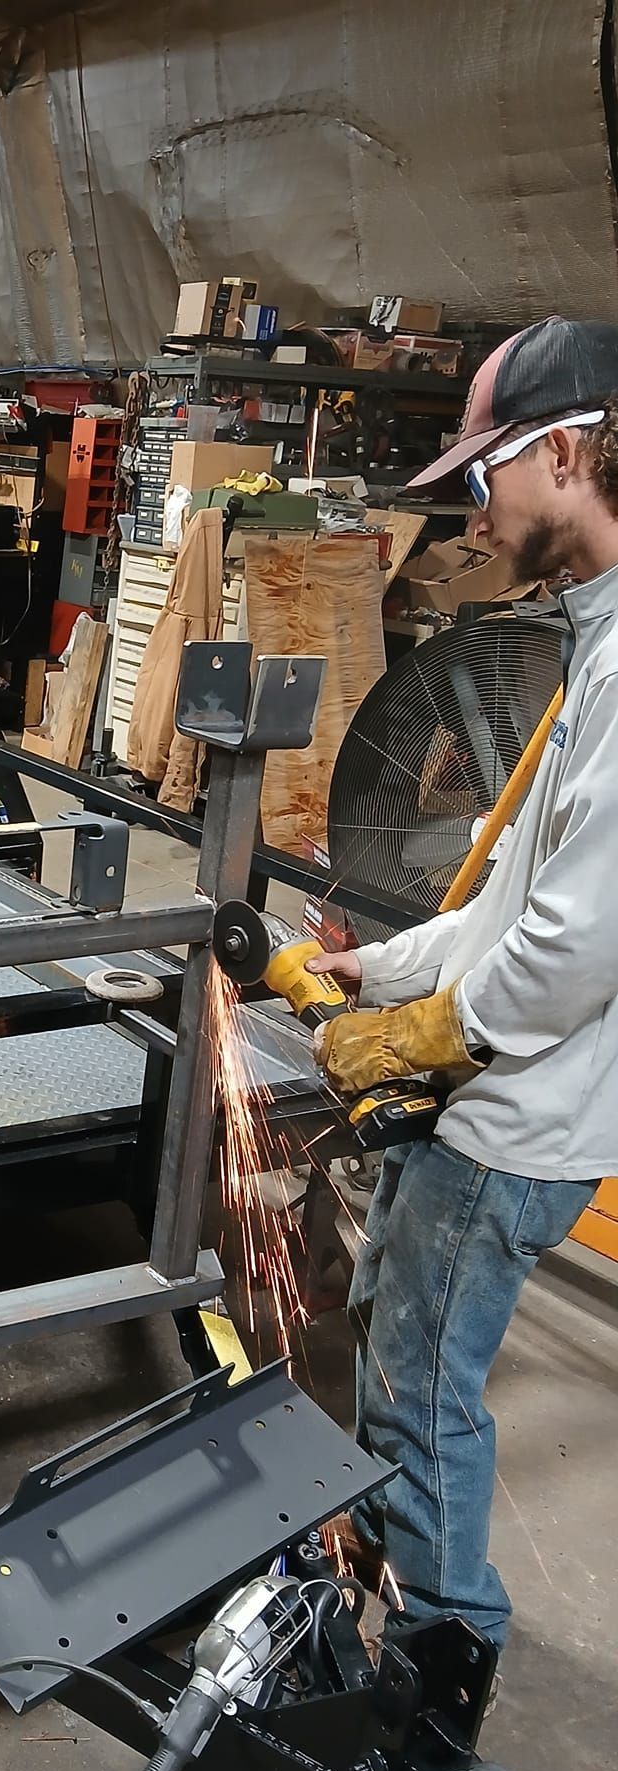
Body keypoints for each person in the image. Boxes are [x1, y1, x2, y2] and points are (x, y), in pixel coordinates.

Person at [309, 316, 618, 1652]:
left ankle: (436, 1680)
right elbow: (512, 903)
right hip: (497, 1099)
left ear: (563, 451)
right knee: (391, 1344)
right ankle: (377, 1574)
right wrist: (365, 970)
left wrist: (410, 1041)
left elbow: (570, 952)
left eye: (491, 474)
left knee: (423, 1396)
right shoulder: (591, 643)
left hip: (519, 1126)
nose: (477, 514)